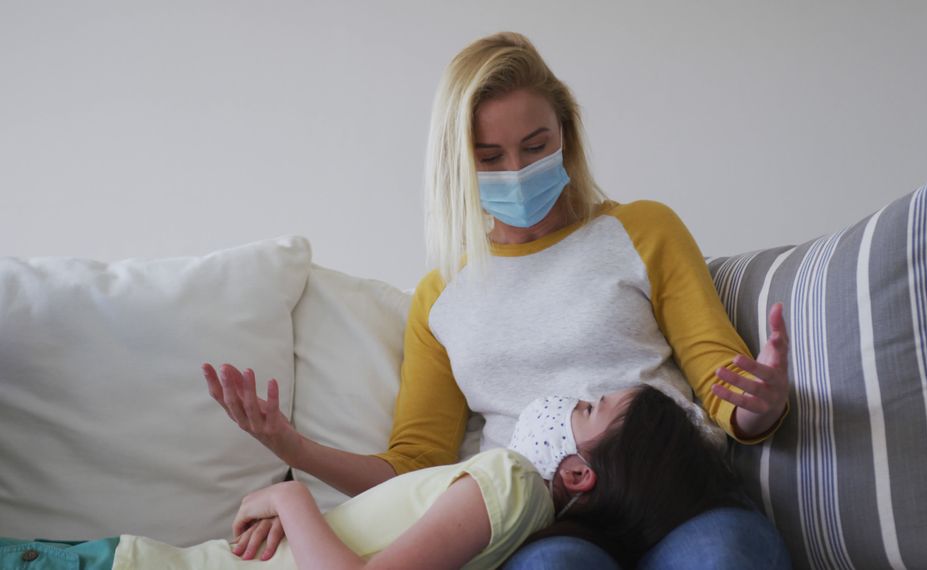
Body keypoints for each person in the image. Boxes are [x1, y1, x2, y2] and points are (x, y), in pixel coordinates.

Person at [205, 31, 793, 568]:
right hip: (551, 521)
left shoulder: (644, 229)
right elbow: (415, 469)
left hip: (675, 492)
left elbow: (721, 379)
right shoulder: (442, 296)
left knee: (727, 556)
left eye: (537, 146)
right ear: (458, 164)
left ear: (566, 134)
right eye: (490, 158)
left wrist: (758, 405)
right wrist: (292, 448)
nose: (517, 171)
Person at [0, 386, 764, 569]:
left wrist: (289, 495)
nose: (570, 395)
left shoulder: (509, 482)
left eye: (590, 406)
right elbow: (394, 520)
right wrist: (304, 523)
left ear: (578, 469)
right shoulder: (509, 500)